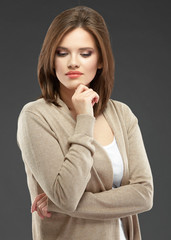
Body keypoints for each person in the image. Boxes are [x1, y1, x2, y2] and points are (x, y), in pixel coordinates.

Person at [17, 5, 153, 240]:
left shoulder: (121, 114)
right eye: (62, 53)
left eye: (85, 53)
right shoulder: (36, 116)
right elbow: (67, 195)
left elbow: (144, 195)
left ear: (100, 60)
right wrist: (85, 118)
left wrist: (57, 204)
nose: (73, 62)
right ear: (51, 59)